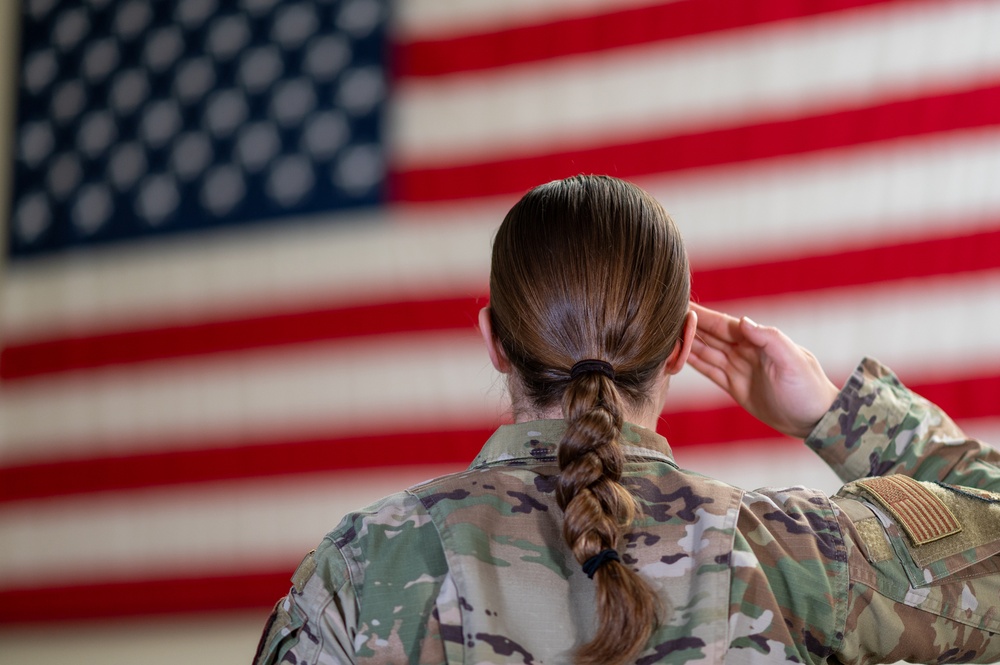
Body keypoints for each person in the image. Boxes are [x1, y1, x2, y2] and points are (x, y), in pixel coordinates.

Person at [254, 175, 1000, 665]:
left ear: (493, 339)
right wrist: (840, 413)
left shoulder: (361, 569)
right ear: (680, 345)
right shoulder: (795, 558)